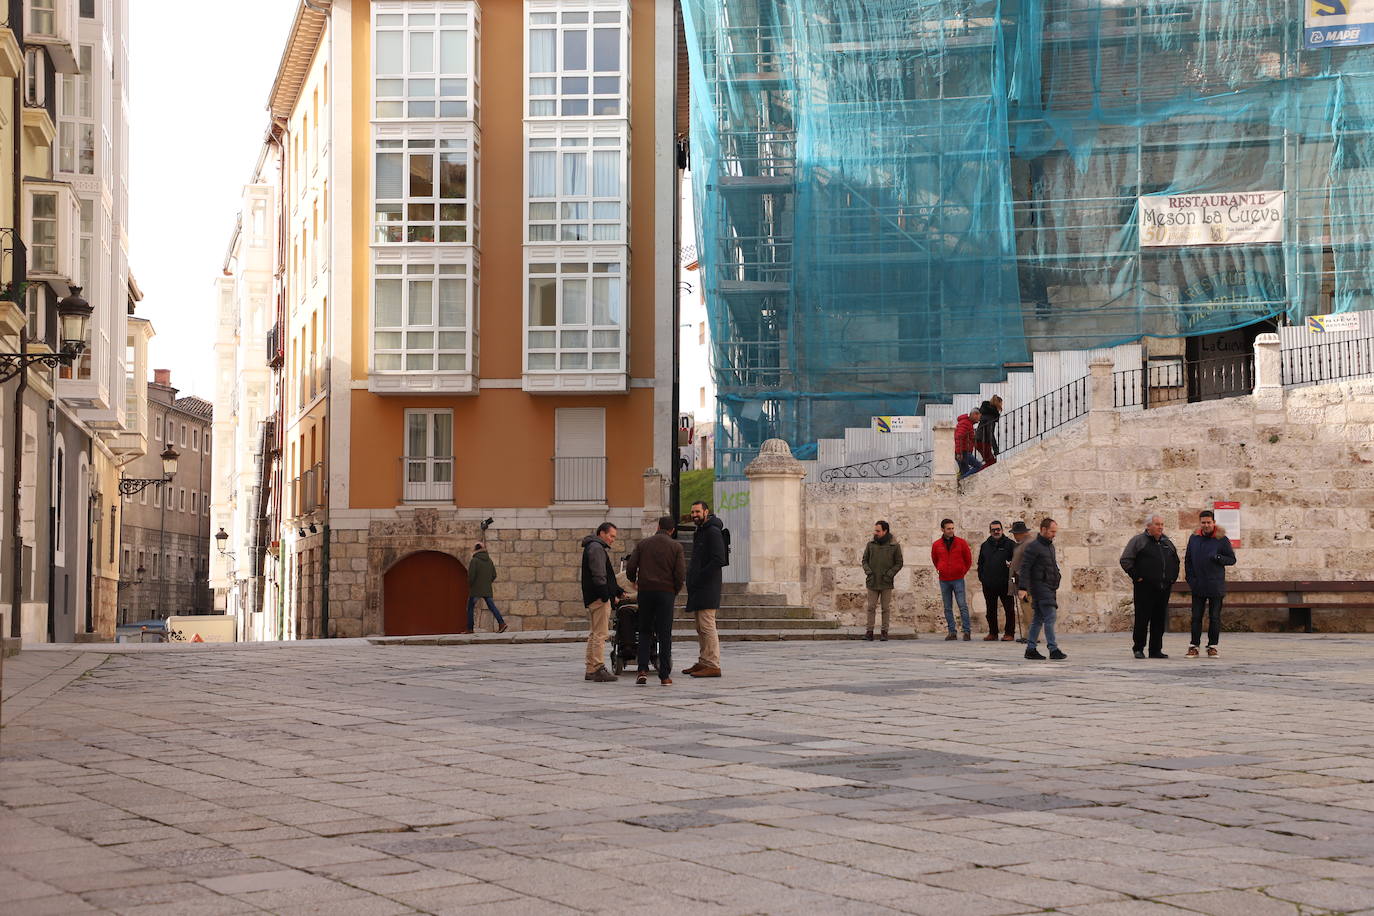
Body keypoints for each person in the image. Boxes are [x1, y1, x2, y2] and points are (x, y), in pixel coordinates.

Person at [626, 515, 686, 685]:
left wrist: (633, 581)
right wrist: (674, 589)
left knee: (645, 631)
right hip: (666, 593)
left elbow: (631, 566)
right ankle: (664, 676)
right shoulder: (676, 547)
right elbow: (680, 573)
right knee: (664, 633)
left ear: (658, 526)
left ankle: (642, 670)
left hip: (645, 592)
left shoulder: (643, 544)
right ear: (672, 530)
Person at [1120, 513, 1181, 659]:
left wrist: (1172, 579)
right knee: (1142, 619)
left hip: (1163, 588)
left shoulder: (1167, 542)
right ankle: (1138, 648)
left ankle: (1155, 650)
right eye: (1157, 524)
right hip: (1144, 588)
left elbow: (1176, 560)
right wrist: (1137, 577)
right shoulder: (1138, 541)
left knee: (1159, 620)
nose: (1160, 527)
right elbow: (1125, 560)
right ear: (1148, 526)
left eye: (1161, 524)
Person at [684, 500, 729, 678]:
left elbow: (718, 559)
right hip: (698, 586)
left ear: (706, 512)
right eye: (692, 512)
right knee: (700, 627)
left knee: (708, 626)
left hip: (708, 586)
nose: (694, 515)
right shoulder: (700, 531)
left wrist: (701, 575)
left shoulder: (712, 531)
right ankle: (703, 660)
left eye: (697, 512)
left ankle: (712, 664)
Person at [1184, 509, 1236, 658]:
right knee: (1196, 617)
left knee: (1214, 617)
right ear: (1200, 523)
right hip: (1198, 585)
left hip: (1215, 585)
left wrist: (1218, 557)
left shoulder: (1222, 539)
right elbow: (1188, 560)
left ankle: (1212, 646)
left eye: (1209, 522)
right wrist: (1190, 579)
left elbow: (1232, 560)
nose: (1206, 525)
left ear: (1213, 523)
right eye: (1203, 523)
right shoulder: (1194, 538)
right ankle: (1194, 645)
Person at [580, 522, 626, 682]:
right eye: (611, 536)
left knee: (594, 633)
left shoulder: (592, 547)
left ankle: (591, 669)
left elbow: (606, 577)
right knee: (601, 634)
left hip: (593, 597)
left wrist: (617, 590)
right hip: (598, 598)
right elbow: (600, 575)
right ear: (602, 533)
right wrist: (606, 596)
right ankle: (598, 668)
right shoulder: (596, 548)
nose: (613, 539)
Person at [1021, 518, 1066, 660]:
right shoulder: (1034, 546)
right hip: (1040, 587)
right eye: (1052, 531)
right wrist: (1022, 588)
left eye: (1055, 531)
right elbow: (1025, 568)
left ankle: (1031, 649)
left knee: (1038, 619)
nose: (1054, 534)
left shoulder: (1049, 546)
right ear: (1043, 530)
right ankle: (1053, 649)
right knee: (1050, 616)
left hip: (1049, 587)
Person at [931, 519, 973, 641]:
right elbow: (935, 559)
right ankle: (952, 632)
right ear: (942, 529)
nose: (951, 530)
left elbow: (968, 560)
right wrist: (940, 569)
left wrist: (962, 572)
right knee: (947, 607)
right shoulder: (937, 545)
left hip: (958, 579)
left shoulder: (961, 543)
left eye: (952, 528)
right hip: (944, 579)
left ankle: (967, 631)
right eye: (948, 528)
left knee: (962, 605)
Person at [861, 520, 904, 642]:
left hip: (886, 582)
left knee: (885, 608)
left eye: (878, 531)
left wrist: (889, 574)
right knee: (871, 607)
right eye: (875, 530)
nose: (875, 533)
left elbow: (899, 563)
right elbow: (864, 560)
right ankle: (869, 632)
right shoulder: (870, 545)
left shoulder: (894, 546)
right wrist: (869, 572)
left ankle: (884, 632)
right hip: (872, 581)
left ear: (885, 531)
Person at [976, 520, 1016, 641]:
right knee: (990, 610)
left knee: (1009, 609)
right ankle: (993, 633)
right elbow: (980, 563)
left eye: (998, 529)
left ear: (1002, 530)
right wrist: (982, 578)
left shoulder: (1010, 544)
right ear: (990, 531)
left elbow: (1016, 562)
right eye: (993, 530)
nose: (996, 531)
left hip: (1005, 583)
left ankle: (1009, 633)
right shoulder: (985, 545)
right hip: (989, 584)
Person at [466, 543, 509, 633]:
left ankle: (470, 629)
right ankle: (501, 623)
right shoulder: (489, 561)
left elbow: (471, 576)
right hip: (487, 589)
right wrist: (486, 583)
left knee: (470, 608)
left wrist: (470, 585)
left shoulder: (474, 560)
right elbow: (494, 575)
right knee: (492, 606)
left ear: (475, 550)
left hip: (476, 589)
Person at [1007, 520, 1034, 642]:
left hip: (1026, 584)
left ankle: (1032, 636)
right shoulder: (1023, 543)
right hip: (1022, 582)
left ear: (1020, 533)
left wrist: (1018, 573)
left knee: (1028, 610)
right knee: (1026, 609)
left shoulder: (1028, 544)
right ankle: (1027, 635)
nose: (1014, 536)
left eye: (1015, 533)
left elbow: (1028, 564)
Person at [974, 396, 1003, 469]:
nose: (1002, 406)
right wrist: (996, 450)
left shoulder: (985, 414)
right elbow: (990, 433)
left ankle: (975, 472)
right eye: (1001, 404)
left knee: (990, 462)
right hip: (983, 441)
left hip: (979, 440)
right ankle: (972, 474)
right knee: (991, 463)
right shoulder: (991, 416)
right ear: (998, 404)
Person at [955, 411, 982, 478]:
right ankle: (960, 480)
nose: (979, 419)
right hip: (962, 452)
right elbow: (959, 437)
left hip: (962, 451)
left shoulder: (968, 423)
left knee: (965, 472)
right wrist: (959, 453)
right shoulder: (965, 423)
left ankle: (961, 481)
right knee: (978, 466)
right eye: (979, 417)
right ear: (974, 415)